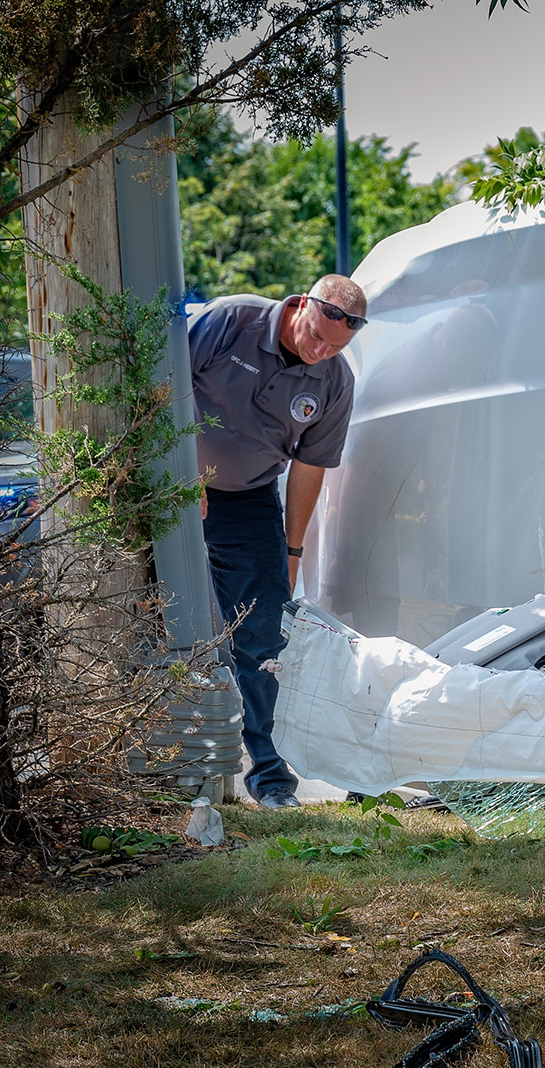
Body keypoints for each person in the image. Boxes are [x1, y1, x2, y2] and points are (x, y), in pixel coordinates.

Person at [187, 275, 365, 808]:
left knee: (263, 638)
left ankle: (269, 777)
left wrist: (291, 553)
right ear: (303, 306)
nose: (321, 352)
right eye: (317, 336)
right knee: (156, 617)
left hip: (247, 499)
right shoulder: (231, 319)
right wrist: (181, 474)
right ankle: (156, 762)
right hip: (169, 485)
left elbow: (310, 469)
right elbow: (162, 386)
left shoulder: (334, 380)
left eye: (336, 347)